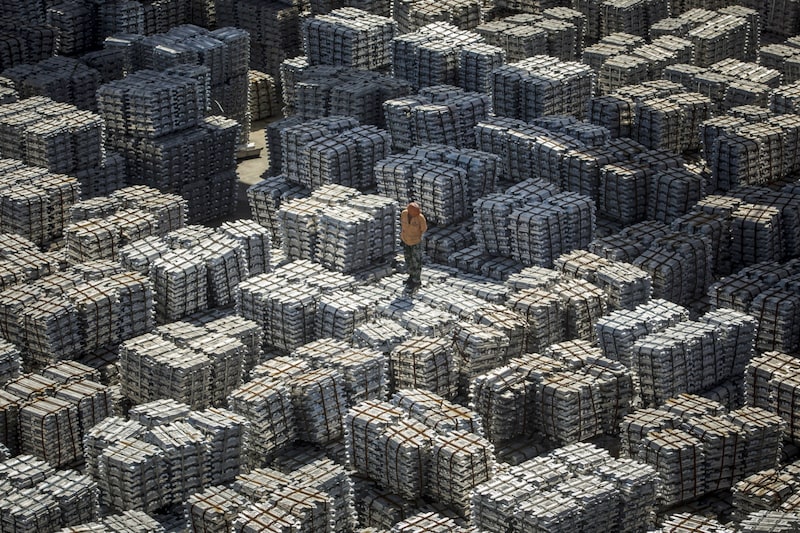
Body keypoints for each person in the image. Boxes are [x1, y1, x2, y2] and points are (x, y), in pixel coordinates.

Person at [400, 201, 427, 288]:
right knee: (408, 259)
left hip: (415, 242)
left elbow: (424, 229)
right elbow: (402, 225)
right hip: (406, 240)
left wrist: (417, 237)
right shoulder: (404, 214)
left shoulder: (420, 218)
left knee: (416, 261)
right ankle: (411, 277)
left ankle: (416, 280)